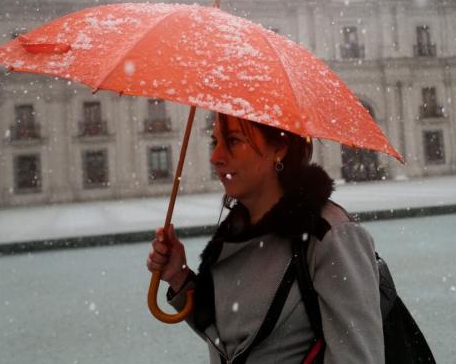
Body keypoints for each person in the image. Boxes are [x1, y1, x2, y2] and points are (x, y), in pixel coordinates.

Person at [147, 113, 384, 363]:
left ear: (279, 149)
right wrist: (179, 277)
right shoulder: (233, 236)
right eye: (215, 142)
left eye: (234, 141)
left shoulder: (330, 236)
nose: (215, 157)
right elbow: (233, 342)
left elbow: (359, 357)